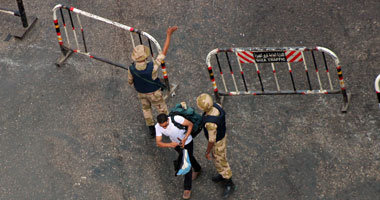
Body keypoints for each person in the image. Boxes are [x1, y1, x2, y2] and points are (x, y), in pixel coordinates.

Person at [128, 26, 178, 137]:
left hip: (141, 93)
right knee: (162, 110)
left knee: (146, 109)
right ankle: (166, 127)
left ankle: (151, 129)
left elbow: (130, 82)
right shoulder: (152, 66)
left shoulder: (131, 68)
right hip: (155, 93)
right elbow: (163, 53)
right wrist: (168, 35)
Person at [196, 93, 235, 198]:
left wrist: (207, 151)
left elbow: (211, 140)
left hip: (217, 143)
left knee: (220, 161)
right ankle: (223, 175)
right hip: (222, 136)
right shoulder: (217, 106)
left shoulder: (210, 123)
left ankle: (228, 181)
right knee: (219, 159)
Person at [155, 113, 202, 199]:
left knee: (186, 163)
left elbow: (190, 125)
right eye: (162, 126)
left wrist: (185, 139)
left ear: (168, 120)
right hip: (176, 145)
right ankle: (198, 168)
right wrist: (170, 144)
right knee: (189, 157)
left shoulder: (177, 119)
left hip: (187, 142)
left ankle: (187, 189)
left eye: (166, 125)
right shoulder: (158, 127)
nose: (164, 128)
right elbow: (158, 143)